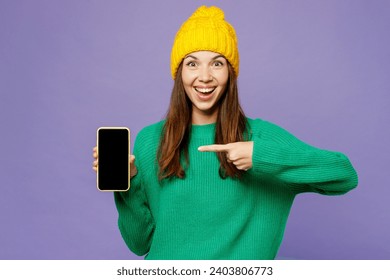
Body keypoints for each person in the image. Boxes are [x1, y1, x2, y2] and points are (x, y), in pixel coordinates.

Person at [92, 5, 358, 260]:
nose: (204, 77)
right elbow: (140, 244)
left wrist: (260, 157)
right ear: (179, 72)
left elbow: (344, 175)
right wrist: (128, 184)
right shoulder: (151, 141)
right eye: (192, 64)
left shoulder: (260, 138)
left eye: (217, 64)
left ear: (230, 73)